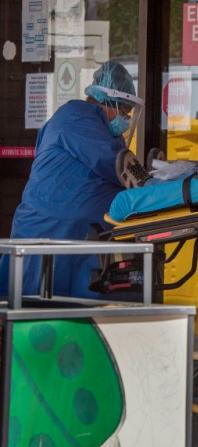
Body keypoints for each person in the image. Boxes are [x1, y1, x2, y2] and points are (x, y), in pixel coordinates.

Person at [0, 61, 144, 298]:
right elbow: (118, 164)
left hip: (73, 236)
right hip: (49, 233)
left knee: (69, 315)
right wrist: (153, 185)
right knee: (36, 315)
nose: (126, 119)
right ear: (108, 103)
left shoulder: (98, 128)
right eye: (124, 112)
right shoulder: (77, 118)